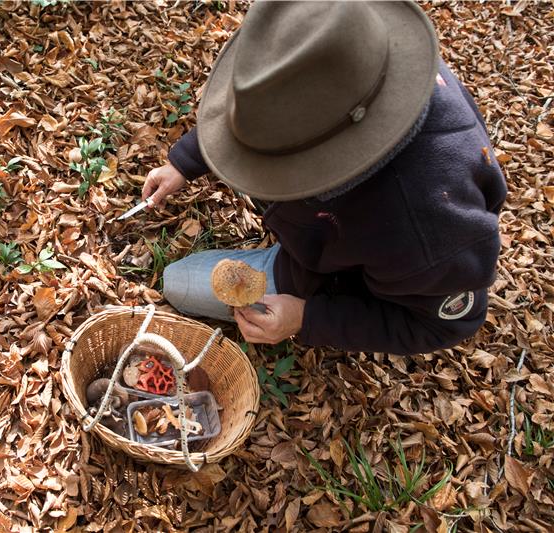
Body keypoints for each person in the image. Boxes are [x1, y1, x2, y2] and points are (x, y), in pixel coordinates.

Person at [142, 1, 506, 356]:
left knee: (179, 282)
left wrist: (307, 317)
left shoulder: (425, 231)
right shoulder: (350, 45)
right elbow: (271, 103)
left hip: (335, 278)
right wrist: (186, 162)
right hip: (323, 228)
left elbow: (444, 324)